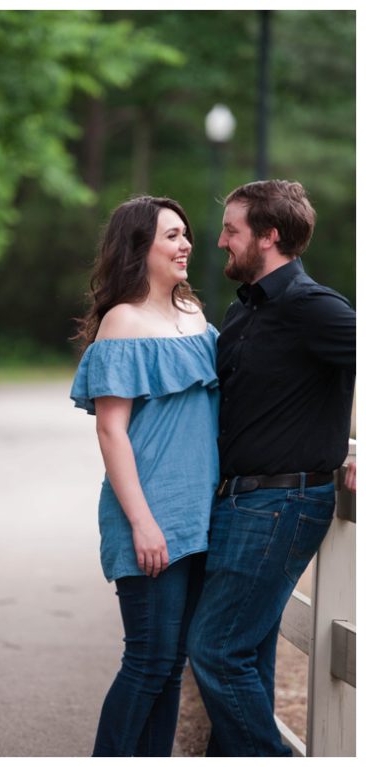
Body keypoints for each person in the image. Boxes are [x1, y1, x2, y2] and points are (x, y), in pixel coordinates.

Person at [186, 180, 356, 756]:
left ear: (269, 236)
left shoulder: (316, 308)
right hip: (236, 503)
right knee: (247, 654)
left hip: (281, 504)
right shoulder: (241, 312)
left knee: (215, 649)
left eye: (231, 230)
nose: (219, 241)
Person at [70, 196, 219, 756]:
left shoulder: (195, 316)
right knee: (149, 659)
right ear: (139, 247)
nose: (186, 245)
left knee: (172, 662)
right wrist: (142, 522)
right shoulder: (122, 322)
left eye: (186, 235)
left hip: (198, 513)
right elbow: (111, 432)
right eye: (172, 236)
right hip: (148, 514)